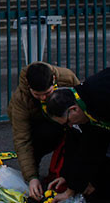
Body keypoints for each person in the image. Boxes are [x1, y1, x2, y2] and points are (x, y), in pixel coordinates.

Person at [7, 62, 79, 200]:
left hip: (64, 119)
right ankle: (36, 178)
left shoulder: (67, 78)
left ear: (54, 81)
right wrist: (32, 177)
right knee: (39, 141)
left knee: (76, 137)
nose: (43, 98)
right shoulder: (20, 100)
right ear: (29, 86)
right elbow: (22, 140)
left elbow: (81, 106)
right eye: (37, 94)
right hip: (39, 127)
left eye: (47, 93)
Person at [45, 68, 110, 202]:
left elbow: (97, 145)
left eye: (68, 122)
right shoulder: (82, 101)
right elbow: (84, 146)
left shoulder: (101, 98)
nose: (70, 125)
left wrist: (95, 182)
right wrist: (68, 178)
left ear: (73, 109)